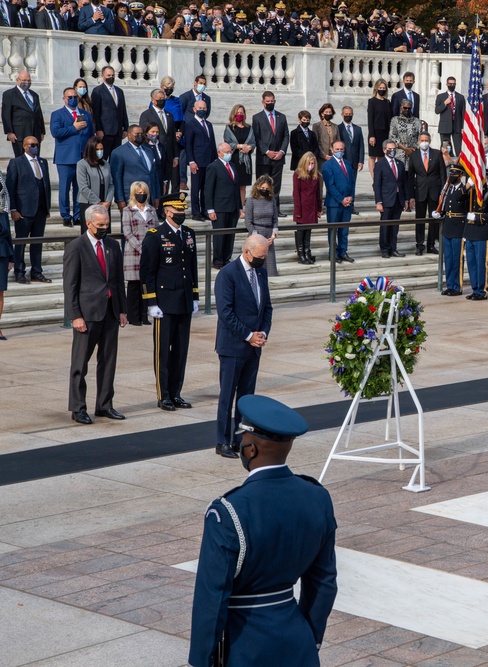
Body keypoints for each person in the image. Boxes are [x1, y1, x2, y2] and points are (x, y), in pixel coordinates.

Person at [188, 393, 337, 667]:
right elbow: (323, 582)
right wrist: (309, 636)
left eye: (243, 440)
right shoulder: (317, 497)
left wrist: (202, 659)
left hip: (245, 646)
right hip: (297, 640)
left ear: (251, 449)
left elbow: (212, 596)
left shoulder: (228, 512)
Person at [64, 203, 128, 424]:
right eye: (100, 225)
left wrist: (122, 310)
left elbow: (118, 280)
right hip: (87, 313)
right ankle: (77, 407)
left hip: (110, 312)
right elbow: (70, 285)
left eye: (107, 224)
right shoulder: (76, 247)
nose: (104, 228)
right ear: (88, 223)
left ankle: (104, 405)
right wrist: (75, 316)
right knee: (80, 363)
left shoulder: (112, 245)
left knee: (108, 361)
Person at [212, 235, 272, 458]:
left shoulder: (261, 272)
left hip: (254, 346)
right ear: (247, 252)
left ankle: (240, 438)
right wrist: (249, 335)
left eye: (264, 257)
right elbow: (225, 312)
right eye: (260, 256)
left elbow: (266, 307)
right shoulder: (228, 274)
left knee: (246, 398)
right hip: (233, 346)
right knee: (227, 397)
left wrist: (263, 333)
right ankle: (223, 441)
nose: (262, 260)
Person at [140, 191, 198, 411]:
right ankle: (163, 395)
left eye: (183, 211)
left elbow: (191, 268)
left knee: (181, 351)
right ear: (167, 212)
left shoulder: (189, 234)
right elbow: (147, 272)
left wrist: (194, 296)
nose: (181, 214)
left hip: (183, 300)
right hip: (164, 302)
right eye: (178, 211)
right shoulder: (155, 235)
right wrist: (151, 302)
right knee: (163, 352)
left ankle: (176, 392)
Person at [7, 136, 52, 285]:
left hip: (40, 209)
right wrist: (13, 209)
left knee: (37, 241)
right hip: (24, 210)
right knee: (21, 242)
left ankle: (36, 271)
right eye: (32, 145)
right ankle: (19, 271)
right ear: (25, 146)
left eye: (36, 144)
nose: (35, 147)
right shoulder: (16, 163)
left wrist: (47, 207)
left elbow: (46, 185)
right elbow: (10, 187)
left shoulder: (43, 162)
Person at [51, 86, 93, 227]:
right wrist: (73, 128)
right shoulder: (57, 114)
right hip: (65, 157)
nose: (73, 99)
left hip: (82, 157)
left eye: (75, 97)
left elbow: (90, 135)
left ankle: (77, 215)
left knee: (80, 188)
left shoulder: (85, 114)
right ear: (64, 99)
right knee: (64, 187)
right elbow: (56, 132)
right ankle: (65, 215)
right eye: (70, 97)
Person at [121, 181, 157, 326]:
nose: (141, 195)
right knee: (134, 285)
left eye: (143, 193)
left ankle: (144, 315)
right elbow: (127, 232)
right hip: (133, 251)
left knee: (146, 285)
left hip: (149, 252)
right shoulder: (128, 210)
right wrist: (140, 247)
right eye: (138, 193)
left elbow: (156, 228)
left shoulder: (151, 210)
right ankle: (133, 316)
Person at [252, 91, 289, 216]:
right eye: (268, 101)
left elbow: (286, 136)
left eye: (272, 101)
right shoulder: (257, 118)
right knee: (262, 184)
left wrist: (282, 152)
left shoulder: (281, 117)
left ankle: (275, 209)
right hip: (264, 158)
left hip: (278, 157)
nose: (270, 103)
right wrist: (267, 151)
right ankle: (261, 208)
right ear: (263, 102)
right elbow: (256, 138)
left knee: (276, 185)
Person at [205, 142, 241, 268]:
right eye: (226, 152)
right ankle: (218, 260)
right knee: (219, 236)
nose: (229, 153)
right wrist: (210, 209)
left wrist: (240, 207)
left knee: (230, 235)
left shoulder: (232, 166)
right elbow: (208, 189)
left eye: (230, 151)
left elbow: (236, 188)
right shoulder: (213, 167)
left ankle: (226, 258)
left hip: (233, 207)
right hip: (219, 207)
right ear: (219, 153)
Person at [408, 131, 445, 256]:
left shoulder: (437, 154)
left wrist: (443, 193)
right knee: (420, 219)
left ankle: (431, 245)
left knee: (433, 219)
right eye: (422, 140)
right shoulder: (414, 156)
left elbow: (443, 174)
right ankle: (419, 245)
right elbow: (410, 177)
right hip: (420, 191)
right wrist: (411, 196)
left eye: (426, 140)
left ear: (429, 141)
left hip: (434, 191)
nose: (424, 142)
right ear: (419, 141)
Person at [373, 139, 409, 258]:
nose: (392, 151)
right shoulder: (380, 164)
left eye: (394, 149)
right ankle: (384, 248)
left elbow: (404, 183)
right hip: (386, 199)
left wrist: (405, 200)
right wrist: (378, 201)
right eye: (390, 149)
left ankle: (393, 248)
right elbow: (377, 184)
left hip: (398, 199)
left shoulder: (400, 163)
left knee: (395, 226)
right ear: (384, 150)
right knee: (385, 225)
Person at [464, 182, 488, 301]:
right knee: (471, 264)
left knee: (481, 264)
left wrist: (477, 218)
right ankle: (475, 289)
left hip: (482, 232)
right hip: (470, 232)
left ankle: (482, 290)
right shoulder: (470, 190)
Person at [438, 165, 469, 296]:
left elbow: (466, 210)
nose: (452, 176)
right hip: (448, 227)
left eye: (455, 174)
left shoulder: (464, 190)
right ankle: (450, 285)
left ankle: (457, 287)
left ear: (461, 175)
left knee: (457, 259)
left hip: (458, 228)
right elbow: (446, 206)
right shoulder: (448, 189)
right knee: (449, 259)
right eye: (451, 173)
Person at [140, 89, 179, 195]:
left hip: (168, 155)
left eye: (163, 98)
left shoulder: (169, 115)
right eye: (159, 99)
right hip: (154, 153)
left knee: (167, 183)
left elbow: (172, 136)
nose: (162, 100)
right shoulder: (146, 114)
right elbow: (144, 135)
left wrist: (176, 156)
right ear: (153, 100)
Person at [322, 140, 355, 263]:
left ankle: (343, 251)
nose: (339, 151)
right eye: (337, 149)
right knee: (333, 230)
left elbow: (352, 182)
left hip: (347, 203)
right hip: (334, 204)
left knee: (344, 230)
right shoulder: (327, 165)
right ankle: (333, 253)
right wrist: (341, 199)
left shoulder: (347, 163)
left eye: (341, 149)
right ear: (332, 149)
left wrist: (350, 197)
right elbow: (330, 186)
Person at [2, 71, 46, 159]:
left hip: (35, 133)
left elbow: (39, 114)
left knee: (35, 158)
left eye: (29, 80)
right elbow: (6, 114)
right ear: (17, 80)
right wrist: (9, 132)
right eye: (24, 80)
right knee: (21, 159)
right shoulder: (9, 94)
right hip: (19, 134)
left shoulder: (34, 95)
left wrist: (42, 131)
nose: (27, 82)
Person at [184, 100, 215, 220]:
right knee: (196, 188)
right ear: (194, 109)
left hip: (209, 161)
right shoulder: (190, 124)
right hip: (197, 162)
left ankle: (205, 210)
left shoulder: (209, 124)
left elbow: (212, 143)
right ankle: (196, 213)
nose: (202, 109)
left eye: (204, 107)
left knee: (206, 188)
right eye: (200, 107)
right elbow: (188, 144)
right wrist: (191, 161)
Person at [291, 152, 322, 264]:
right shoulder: (298, 175)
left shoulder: (316, 176)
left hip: (312, 207)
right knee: (301, 231)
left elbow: (318, 194)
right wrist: (297, 211)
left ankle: (307, 251)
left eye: (313, 163)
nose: (311, 165)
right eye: (309, 163)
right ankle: (301, 253)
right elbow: (296, 194)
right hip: (302, 207)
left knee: (308, 231)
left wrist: (319, 209)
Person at [91, 66, 128, 153]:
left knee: (116, 157)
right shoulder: (97, 91)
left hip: (118, 132)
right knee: (103, 157)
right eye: (108, 75)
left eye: (113, 75)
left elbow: (123, 110)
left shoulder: (119, 91)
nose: (111, 77)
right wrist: (98, 129)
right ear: (103, 76)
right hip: (105, 132)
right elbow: (96, 112)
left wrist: (126, 128)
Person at [76, 136, 113, 224]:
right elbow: (83, 187)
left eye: (101, 149)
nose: (100, 151)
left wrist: (107, 201)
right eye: (97, 149)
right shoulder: (82, 164)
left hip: (105, 204)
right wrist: (98, 203)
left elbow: (111, 185)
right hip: (88, 203)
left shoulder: (106, 164)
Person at [224, 104, 254, 205]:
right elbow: (227, 142)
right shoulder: (229, 128)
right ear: (234, 114)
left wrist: (249, 148)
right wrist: (240, 146)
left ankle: (241, 208)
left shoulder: (249, 128)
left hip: (246, 161)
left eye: (242, 113)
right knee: (233, 184)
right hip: (234, 158)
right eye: (238, 113)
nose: (240, 114)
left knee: (243, 186)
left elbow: (253, 142)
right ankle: (233, 207)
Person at [367, 80, 392, 176]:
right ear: (376, 88)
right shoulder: (372, 101)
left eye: (384, 88)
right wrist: (372, 135)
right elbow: (370, 119)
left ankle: (380, 176)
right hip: (375, 132)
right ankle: (374, 178)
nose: (382, 90)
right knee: (373, 156)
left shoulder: (387, 102)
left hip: (385, 132)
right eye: (380, 88)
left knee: (382, 156)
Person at [435, 76, 465, 156]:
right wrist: (445, 103)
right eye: (450, 84)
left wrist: (463, 127)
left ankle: (459, 165)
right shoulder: (440, 97)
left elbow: (463, 113)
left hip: (457, 126)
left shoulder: (460, 97)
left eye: (453, 84)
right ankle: (446, 164)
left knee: (459, 148)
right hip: (445, 126)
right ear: (446, 84)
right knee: (446, 149)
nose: (452, 85)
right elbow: (437, 111)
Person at [0, 170, 12, 340]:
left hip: (1, 255)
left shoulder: (2, 213)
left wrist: (11, 258)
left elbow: (8, 235)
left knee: (0, 292)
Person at [289, 109, 320, 175]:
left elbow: (316, 147)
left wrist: (312, 157)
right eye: (304, 120)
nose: (306, 122)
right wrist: (305, 158)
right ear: (299, 120)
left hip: (311, 162)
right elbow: (295, 149)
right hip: (299, 161)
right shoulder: (294, 133)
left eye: (307, 120)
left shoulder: (312, 133)